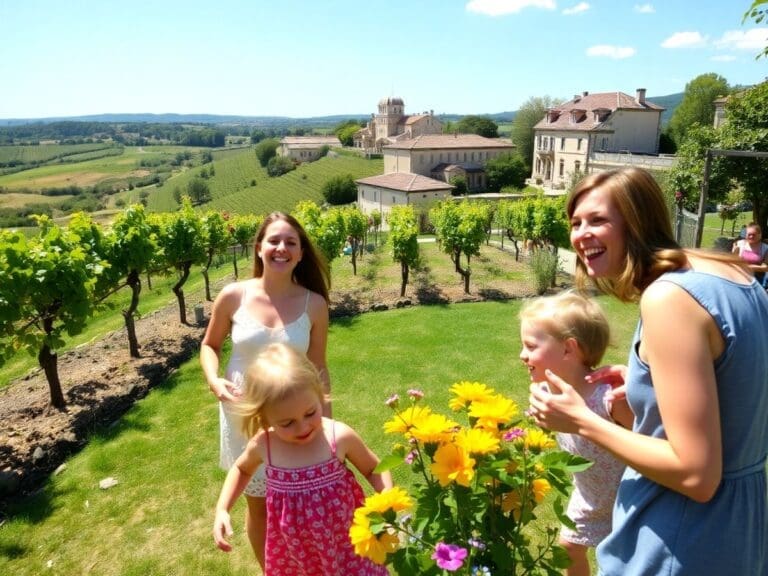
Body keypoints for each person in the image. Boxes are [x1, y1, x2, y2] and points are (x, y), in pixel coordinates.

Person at [527, 167, 768, 575]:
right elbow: (737, 384)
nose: (580, 234)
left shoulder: (667, 298)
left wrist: (582, 420)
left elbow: (696, 474)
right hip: (740, 529)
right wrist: (645, 381)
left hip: (679, 537)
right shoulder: (727, 274)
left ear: (637, 220)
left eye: (598, 219)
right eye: (575, 222)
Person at [200, 211, 331, 569]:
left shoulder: (314, 305)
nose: (281, 248)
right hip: (244, 411)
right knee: (258, 503)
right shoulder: (233, 296)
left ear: (301, 253)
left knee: (296, 498)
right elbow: (209, 345)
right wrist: (214, 379)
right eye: (274, 240)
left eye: (291, 242)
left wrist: (328, 428)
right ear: (259, 248)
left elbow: (318, 367)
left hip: (296, 412)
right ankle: (271, 569)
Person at [212, 343, 392, 575]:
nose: (303, 426)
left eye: (310, 413)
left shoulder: (338, 436)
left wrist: (387, 499)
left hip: (348, 544)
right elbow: (242, 469)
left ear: (319, 395)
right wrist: (222, 509)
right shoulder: (264, 444)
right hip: (295, 553)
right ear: (265, 419)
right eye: (287, 423)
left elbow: (373, 468)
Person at [519, 291, 632, 576]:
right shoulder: (546, 392)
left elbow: (646, 437)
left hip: (624, 495)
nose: (523, 355)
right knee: (567, 548)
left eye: (530, 346)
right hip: (589, 493)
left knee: (625, 557)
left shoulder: (608, 397)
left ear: (569, 349)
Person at [732, 222, 768, 287]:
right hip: (739, 276)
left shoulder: (765, 248)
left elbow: (765, 268)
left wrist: (745, 267)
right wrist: (734, 252)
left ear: (760, 235)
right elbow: (733, 262)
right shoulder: (739, 244)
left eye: (754, 234)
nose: (751, 237)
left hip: (757, 280)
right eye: (749, 234)